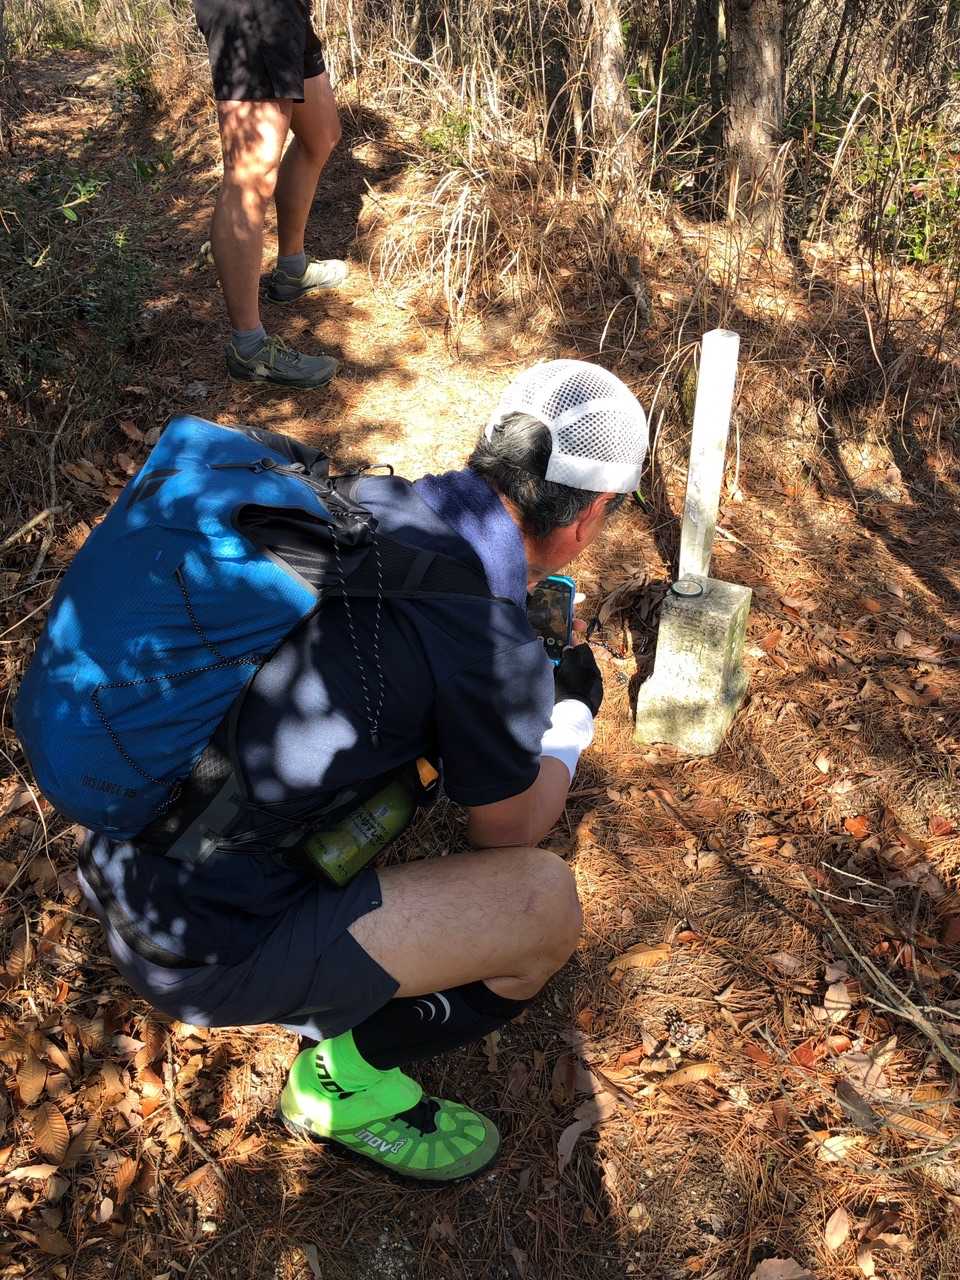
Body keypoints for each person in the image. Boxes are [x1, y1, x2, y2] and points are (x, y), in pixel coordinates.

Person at [76, 361, 649, 1182]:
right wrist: (568, 718)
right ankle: (339, 1088)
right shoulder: (485, 645)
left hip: (119, 847)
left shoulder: (365, 501)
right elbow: (510, 829)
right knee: (543, 905)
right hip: (201, 951)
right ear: (592, 513)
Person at [193, 0, 347, 388]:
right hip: (252, 8)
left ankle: (292, 270)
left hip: (287, 11)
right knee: (251, 174)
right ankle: (249, 347)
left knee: (321, 135)